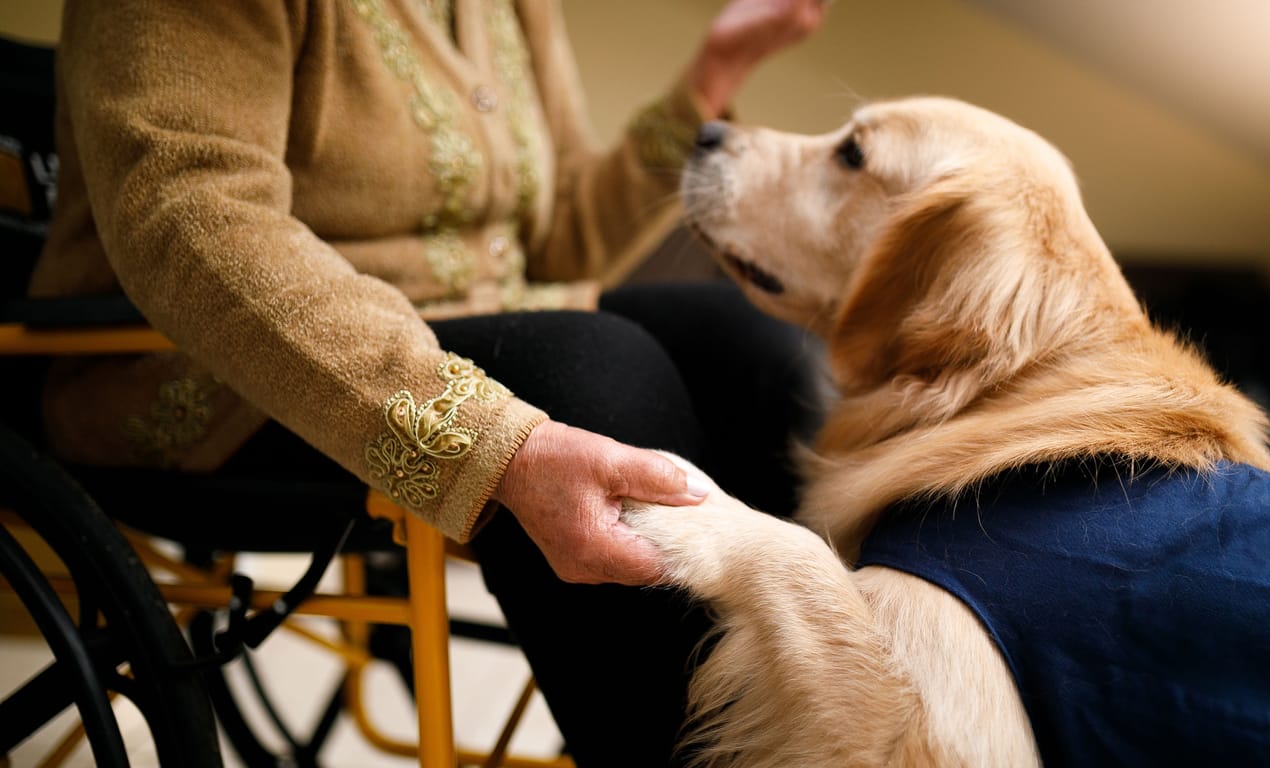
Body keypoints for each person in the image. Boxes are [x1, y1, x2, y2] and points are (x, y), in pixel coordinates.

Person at [29, 0, 830, 763]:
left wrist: (713, 75)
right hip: (208, 365)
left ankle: (838, 734)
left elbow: (557, 246)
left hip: (483, 320)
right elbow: (185, 213)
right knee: (596, 373)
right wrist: (492, 441)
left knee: (764, 355)